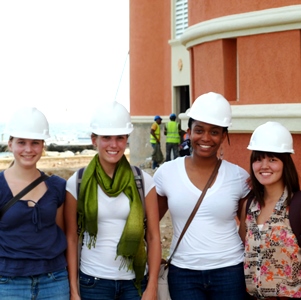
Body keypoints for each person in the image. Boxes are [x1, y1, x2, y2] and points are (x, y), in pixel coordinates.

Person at [154, 92, 250, 300]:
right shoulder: (166, 173)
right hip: (183, 273)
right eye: (199, 130)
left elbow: (250, 229)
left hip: (230, 271)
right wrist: (154, 260)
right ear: (188, 132)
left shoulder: (239, 177)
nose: (206, 138)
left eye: (214, 132)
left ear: (224, 135)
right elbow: (150, 224)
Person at [64, 101, 161, 300]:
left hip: (135, 283)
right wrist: (74, 291)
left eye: (120, 138)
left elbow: (153, 237)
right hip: (93, 283)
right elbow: (72, 238)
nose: (114, 145)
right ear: (94, 140)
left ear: (127, 139)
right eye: (106, 137)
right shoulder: (78, 182)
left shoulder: (143, 181)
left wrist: (151, 288)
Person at [0, 107, 69, 299]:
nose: (28, 149)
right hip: (8, 283)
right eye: (21, 142)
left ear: (43, 146)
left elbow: (64, 232)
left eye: (35, 143)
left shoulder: (57, 187)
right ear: (10, 143)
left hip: (54, 281)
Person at [239, 121, 301, 299]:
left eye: (272, 159)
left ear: (285, 164)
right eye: (258, 159)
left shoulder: (297, 205)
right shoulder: (248, 206)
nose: (264, 165)